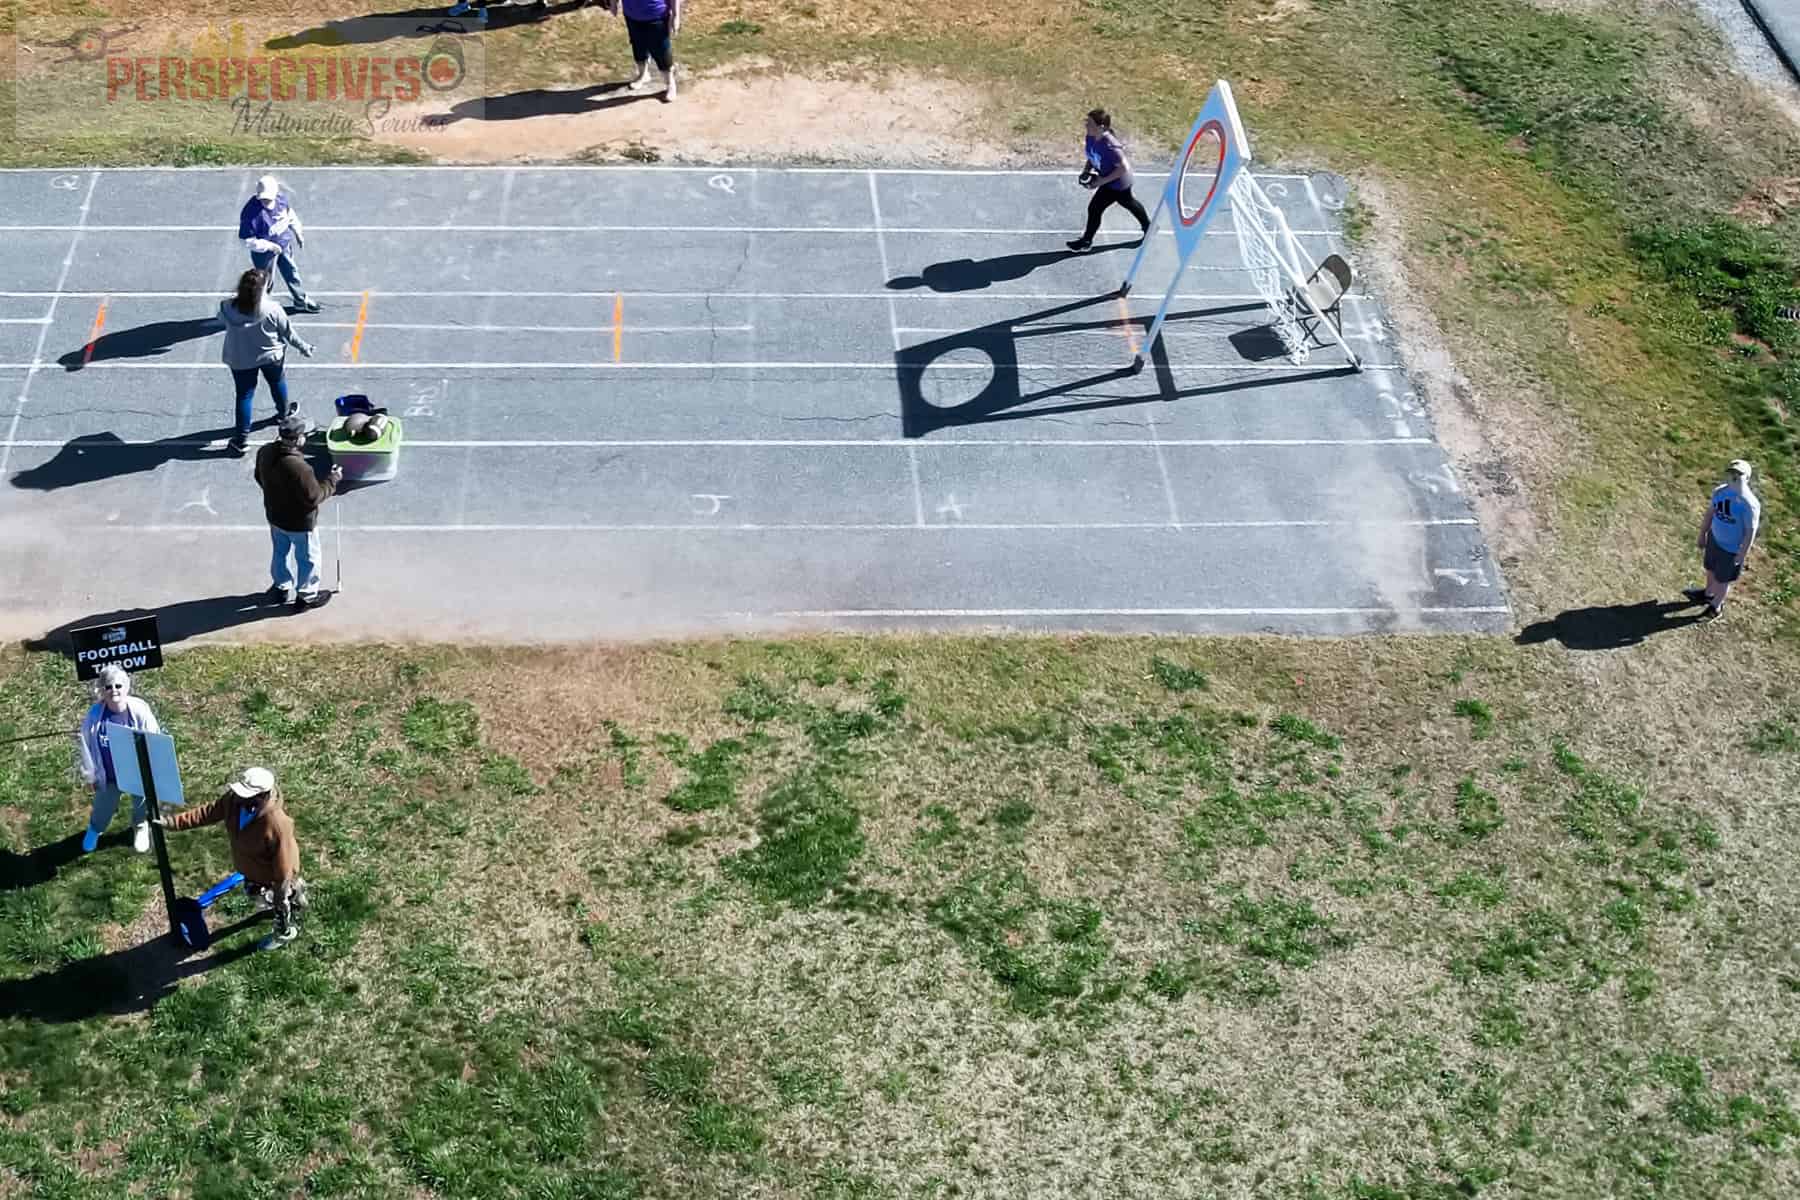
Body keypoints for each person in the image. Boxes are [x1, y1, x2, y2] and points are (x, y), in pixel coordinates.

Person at [158, 766, 308, 950]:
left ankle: (284, 929)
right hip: (251, 870)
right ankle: (290, 901)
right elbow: (208, 812)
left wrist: (280, 891)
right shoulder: (234, 801)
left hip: (272, 877)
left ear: (262, 796)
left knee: (281, 904)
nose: (238, 797)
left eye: (245, 795)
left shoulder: (277, 824)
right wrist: (172, 823)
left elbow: (284, 866)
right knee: (260, 898)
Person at [218, 269, 316, 455]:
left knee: (244, 396)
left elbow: (220, 319)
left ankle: (241, 440)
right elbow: (288, 334)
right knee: (277, 383)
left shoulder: (226, 306)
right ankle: (284, 414)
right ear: (264, 289)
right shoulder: (273, 309)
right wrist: (304, 347)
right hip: (270, 356)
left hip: (240, 358)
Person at [254, 414, 344, 608]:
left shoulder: (265, 452)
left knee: (280, 552)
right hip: (300, 523)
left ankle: (281, 588)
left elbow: (258, 477)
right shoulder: (300, 468)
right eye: (305, 434)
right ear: (297, 439)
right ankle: (306, 595)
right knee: (308, 558)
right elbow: (314, 497)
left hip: (275, 517)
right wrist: (332, 480)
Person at [74, 665, 161, 854]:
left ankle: (140, 826)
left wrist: (152, 768)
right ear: (102, 690)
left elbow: (154, 739)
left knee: (141, 802)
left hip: (136, 772)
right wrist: (90, 775)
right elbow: (86, 746)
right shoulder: (95, 715)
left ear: (127, 687)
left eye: (118, 686)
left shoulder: (139, 709)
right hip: (109, 774)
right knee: (103, 806)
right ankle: (95, 829)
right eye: (108, 686)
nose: (114, 690)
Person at [1684, 459, 1761, 619]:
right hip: (1714, 540)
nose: (1734, 477)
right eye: (1732, 473)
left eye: (1738, 474)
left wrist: (1741, 555)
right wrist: (1702, 533)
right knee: (1710, 569)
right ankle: (1708, 594)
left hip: (1731, 549)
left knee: (1722, 580)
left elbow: (1750, 532)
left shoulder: (1750, 504)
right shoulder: (1720, 492)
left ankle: (1716, 607)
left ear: (1746, 478)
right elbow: (1710, 513)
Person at [1067, 108, 1150, 253]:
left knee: (1095, 208)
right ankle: (1149, 228)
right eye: (1086, 122)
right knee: (1128, 202)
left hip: (1118, 183)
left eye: (1090, 123)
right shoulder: (1091, 137)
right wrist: (1086, 171)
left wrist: (1100, 182)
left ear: (1101, 127)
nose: (1086, 125)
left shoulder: (1111, 146)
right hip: (1109, 180)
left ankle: (1086, 241)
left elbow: (1123, 168)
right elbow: (1092, 155)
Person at [238, 175, 320, 313]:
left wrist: (297, 231)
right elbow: (246, 240)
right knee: (265, 281)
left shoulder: (281, 200)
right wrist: (269, 246)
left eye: (268, 198)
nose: (265, 201)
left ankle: (300, 300)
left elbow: (290, 215)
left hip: (283, 244)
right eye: (262, 198)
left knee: (292, 272)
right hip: (264, 254)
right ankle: (262, 307)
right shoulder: (250, 212)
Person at [620, 0, 680, 100]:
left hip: (657, 15)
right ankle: (643, 75)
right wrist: (613, 3)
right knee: (638, 47)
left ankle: (670, 84)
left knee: (662, 51)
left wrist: (675, 15)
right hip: (631, 15)